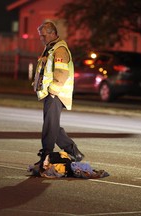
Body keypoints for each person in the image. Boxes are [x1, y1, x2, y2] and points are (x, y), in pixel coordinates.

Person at [33, 21, 84, 167]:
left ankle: (46, 156)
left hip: (56, 94)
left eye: (43, 36)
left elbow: (62, 72)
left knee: (50, 126)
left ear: (52, 33)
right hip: (52, 93)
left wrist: (53, 91)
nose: (41, 38)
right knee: (53, 125)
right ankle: (74, 152)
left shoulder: (59, 49)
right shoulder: (51, 48)